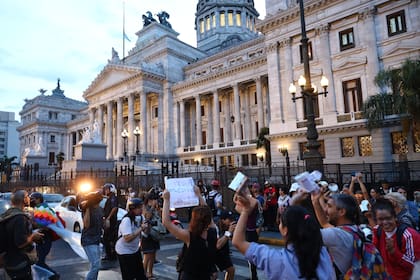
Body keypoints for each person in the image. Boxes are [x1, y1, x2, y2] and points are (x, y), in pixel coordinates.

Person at [232, 190, 335, 280]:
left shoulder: (277, 260)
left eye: (281, 223)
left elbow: (238, 241)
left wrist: (245, 211)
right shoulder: (323, 253)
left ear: (285, 230)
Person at [162, 186, 217, 280]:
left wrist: (166, 200)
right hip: (205, 274)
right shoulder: (212, 231)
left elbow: (166, 222)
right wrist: (199, 195)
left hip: (190, 275)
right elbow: (208, 214)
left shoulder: (189, 236)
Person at [311, 191, 360, 277]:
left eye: (329, 206)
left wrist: (295, 203)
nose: (325, 210)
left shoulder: (336, 235)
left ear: (341, 212)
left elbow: (302, 236)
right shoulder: (355, 229)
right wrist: (315, 202)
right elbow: (325, 224)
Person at [372, 198, 420, 279]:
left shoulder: (409, 235)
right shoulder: (377, 230)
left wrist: (394, 252)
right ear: (376, 220)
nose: (385, 222)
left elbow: (415, 266)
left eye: (388, 218)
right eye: (380, 219)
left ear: (395, 217)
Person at [1, 190, 44, 280]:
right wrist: (33, 236)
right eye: (28, 196)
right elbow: (20, 242)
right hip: (20, 264)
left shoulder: (8, 214)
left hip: (8, 261)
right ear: (24, 200)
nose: (30, 198)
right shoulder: (20, 218)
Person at [29, 192, 60, 279]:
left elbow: (46, 226)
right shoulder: (40, 208)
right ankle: (50, 276)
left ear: (38, 199)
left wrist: (33, 222)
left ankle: (53, 275)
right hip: (43, 238)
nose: (31, 200)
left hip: (45, 238)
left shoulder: (43, 208)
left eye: (33, 199)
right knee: (39, 261)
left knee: (39, 262)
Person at [115, 198, 147, 280]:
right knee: (128, 276)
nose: (141, 210)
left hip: (135, 249)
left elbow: (146, 232)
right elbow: (127, 238)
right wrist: (140, 228)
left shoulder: (141, 217)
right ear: (133, 209)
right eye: (139, 208)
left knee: (140, 274)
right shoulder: (127, 220)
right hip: (124, 251)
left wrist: (147, 226)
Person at [81, 190, 104, 280]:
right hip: (88, 239)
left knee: (96, 265)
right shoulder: (87, 210)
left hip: (97, 239)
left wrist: (105, 223)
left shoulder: (100, 209)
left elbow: (102, 222)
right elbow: (86, 225)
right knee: (95, 265)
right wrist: (86, 208)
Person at [141, 193, 162, 279]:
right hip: (147, 233)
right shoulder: (144, 207)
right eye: (153, 200)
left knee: (153, 254)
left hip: (155, 232)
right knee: (147, 255)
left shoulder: (156, 207)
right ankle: (143, 274)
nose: (155, 201)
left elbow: (160, 218)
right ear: (149, 200)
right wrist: (152, 207)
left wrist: (158, 209)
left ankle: (150, 273)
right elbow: (147, 217)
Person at [215, 210, 236, 280]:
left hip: (223, 252)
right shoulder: (216, 228)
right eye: (229, 220)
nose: (231, 222)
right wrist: (229, 232)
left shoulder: (227, 227)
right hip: (213, 252)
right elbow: (218, 245)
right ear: (222, 220)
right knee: (213, 275)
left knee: (231, 270)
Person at [102, 183, 119, 261]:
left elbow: (114, 208)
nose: (105, 190)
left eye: (107, 189)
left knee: (108, 238)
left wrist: (108, 218)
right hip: (110, 220)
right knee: (108, 238)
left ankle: (110, 255)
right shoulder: (109, 198)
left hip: (112, 221)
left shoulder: (113, 198)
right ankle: (111, 254)